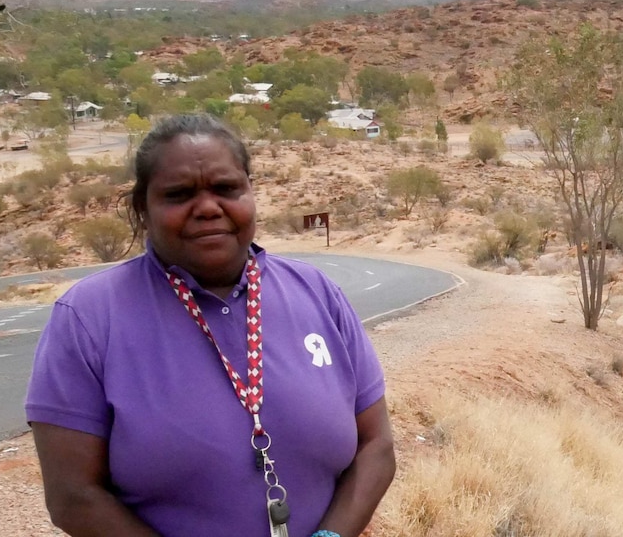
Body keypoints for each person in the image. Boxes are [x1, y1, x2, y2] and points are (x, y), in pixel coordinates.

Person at [25, 114, 396, 537]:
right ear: (142, 209)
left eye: (226, 189)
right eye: (179, 194)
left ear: (250, 193)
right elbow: (73, 495)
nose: (207, 208)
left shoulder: (317, 292)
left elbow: (376, 446)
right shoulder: (87, 318)